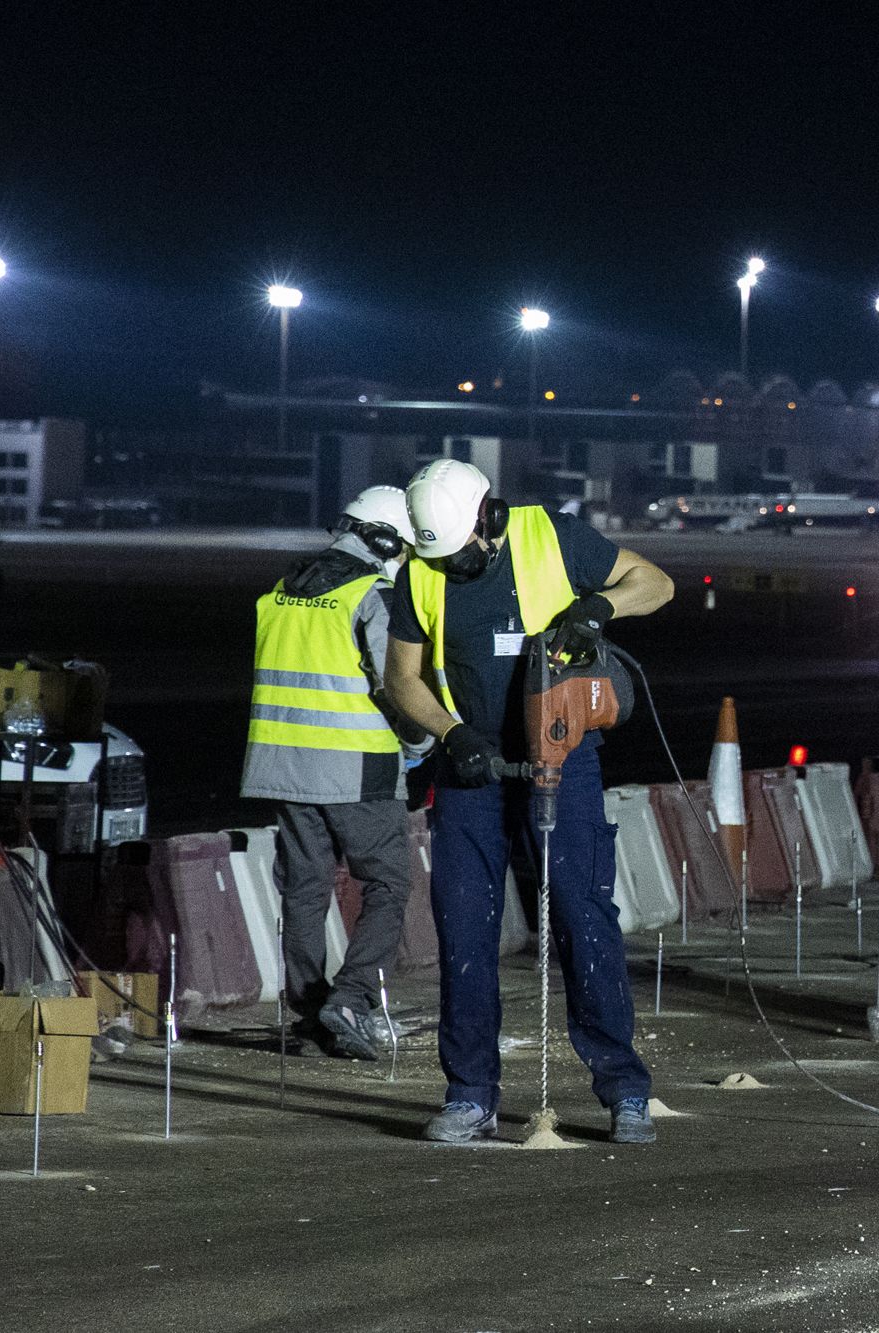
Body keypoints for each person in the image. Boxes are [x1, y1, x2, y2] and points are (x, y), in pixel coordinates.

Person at [385, 460, 673, 1145]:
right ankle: (470, 1094)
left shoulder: (553, 537)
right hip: (471, 772)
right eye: (439, 557)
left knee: (581, 912)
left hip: (563, 761)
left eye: (458, 554)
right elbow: (401, 677)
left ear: (487, 517)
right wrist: (451, 734)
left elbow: (656, 584)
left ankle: (624, 1089)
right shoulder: (420, 570)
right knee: (464, 928)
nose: (450, 567)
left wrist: (597, 607)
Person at [239, 485, 430, 1060]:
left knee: (304, 890)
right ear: (382, 538)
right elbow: (397, 683)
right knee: (389, 882)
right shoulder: (373, 594)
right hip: (359, 765)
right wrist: (425, 738)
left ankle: (311, 1015)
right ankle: (351, 998)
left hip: (283, 765)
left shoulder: (282, 592)